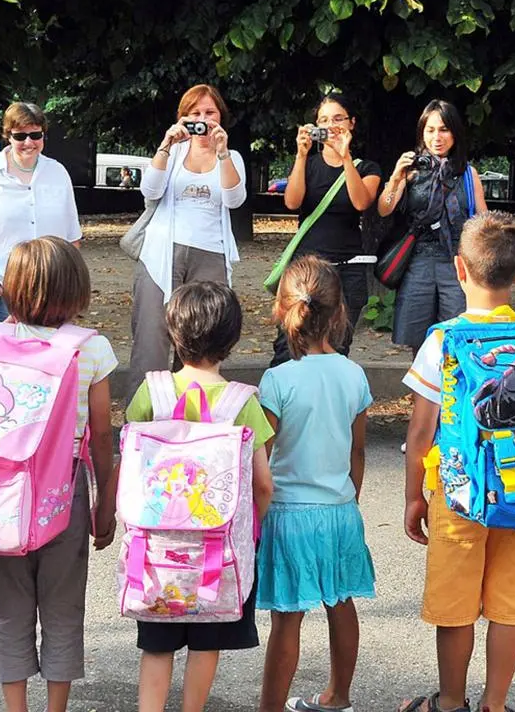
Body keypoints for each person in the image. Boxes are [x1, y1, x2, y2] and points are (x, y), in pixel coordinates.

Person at [400, 211, 515, 712]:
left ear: (460, 268)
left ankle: (451, 702)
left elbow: (420, 432)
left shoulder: (444, 339)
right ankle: (495, 704)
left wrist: (415, 496)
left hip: (460, 491)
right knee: (510, 605)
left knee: (455, 606)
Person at [124, 281, 275, 712]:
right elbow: (263, 483)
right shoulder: (242, 403)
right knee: (206, 643)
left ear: (173, 332)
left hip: (157, 551)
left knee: (156, 645)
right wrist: (253, 529)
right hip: (217, 553)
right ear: (232, 338)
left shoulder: (150, 394)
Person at [0, 236, 119, 712]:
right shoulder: (91, 349)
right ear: (77, 289)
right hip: (66, 490)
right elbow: (101, 437)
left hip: (2, 493)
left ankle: (15, 706)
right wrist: (107, 503)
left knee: (10, 604)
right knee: (63, 605)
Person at [256, 255, 376, 712]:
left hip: (289, 512)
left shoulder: (277, 380)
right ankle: (338, 696)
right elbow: (357, 451)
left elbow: (262, 458)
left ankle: (270, 706)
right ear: (339, 313)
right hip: (340, 509)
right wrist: (350, 499)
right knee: (341, 604)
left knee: (287, 620)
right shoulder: (354, 374)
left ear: (282, 311)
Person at [127, 84, 247, 392]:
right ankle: (141, 421)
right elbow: (150, 191)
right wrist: (166, 144)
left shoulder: (231, 156)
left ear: (221, 117)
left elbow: (235, 200)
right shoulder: (173, 152)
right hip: (161, 253)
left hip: (211, 254)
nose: (203, 120)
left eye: (210, 113)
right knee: (151, 339)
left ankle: (191, 421)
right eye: (195, 114)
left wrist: (221, 153)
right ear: (182, 118)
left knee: (203, 342)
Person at [272, 92, 381, 367]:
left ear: (352, 123)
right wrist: (300, 155)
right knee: (290, 345)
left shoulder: (366, 168)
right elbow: (292, 201)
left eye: (337, 119)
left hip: (348, 270)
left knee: (337, 348)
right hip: (305, 271)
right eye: (323, 120)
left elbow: (361, 202)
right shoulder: (307, 165)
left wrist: (345, 158)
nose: (331, 125)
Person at [0, 102, 81, 323]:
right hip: (6, 284)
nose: (29, 142)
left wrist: (69, 283)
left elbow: (73, 237)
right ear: (8, 136)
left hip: (53, 286)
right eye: (20, 136)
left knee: (52, 352)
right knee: (15, 351)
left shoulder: (58, 172)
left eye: (35, 135)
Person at [376, 99, 488, 352]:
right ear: (422, 132)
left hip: (458, 264)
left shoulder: (468, 174)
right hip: (418, 262)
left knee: (458, 336)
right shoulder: (411, 171)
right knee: (420, 342)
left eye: (444, 129)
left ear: (455, 133)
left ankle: (450, 390)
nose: (437, 137)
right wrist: (395, 178)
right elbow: (385, 208)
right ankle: (423, 390)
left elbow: (482, 221)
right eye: (430, 129)